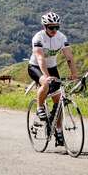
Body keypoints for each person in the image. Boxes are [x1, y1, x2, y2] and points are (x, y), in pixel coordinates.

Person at [28, 11, 78, 146]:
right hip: (36, 67)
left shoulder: (61, 37)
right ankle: (39, 107)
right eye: (51, 27)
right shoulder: (38, 38)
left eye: (57, 27)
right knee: (45, 83)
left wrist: (74, 74)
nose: (54, 30)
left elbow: (69, 57)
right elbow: (40, 58)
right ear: (45, 27)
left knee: (58, 101)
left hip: (52, 67)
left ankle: (58, 130)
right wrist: (45, 75)